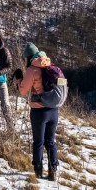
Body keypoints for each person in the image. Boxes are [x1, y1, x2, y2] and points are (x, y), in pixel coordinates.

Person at [17, 42, 58, 181]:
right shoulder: (49, 65)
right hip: (54, 109)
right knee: (51, 141)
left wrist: (18, 79)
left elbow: (23, 91)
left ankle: (38, 171)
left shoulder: (32, 69)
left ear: (28, 58)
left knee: (38, 142)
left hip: (39, 110)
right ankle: (53, 171)